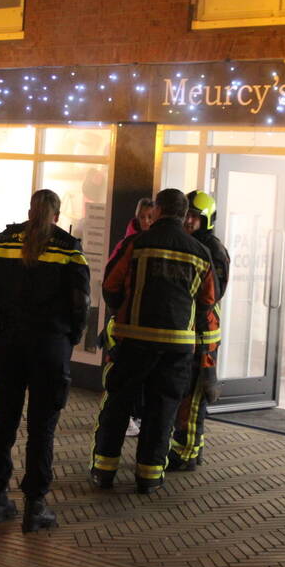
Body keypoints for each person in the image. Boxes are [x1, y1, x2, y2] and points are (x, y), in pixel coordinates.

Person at [0, 189, 90, 533]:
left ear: (29, 211)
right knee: (42, 429)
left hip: (7, 345)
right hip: (48, 348)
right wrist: (71, 337)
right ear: (55, 215)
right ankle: (34, 507)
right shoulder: (68, 247)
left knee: (3, 421)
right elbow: (81, 301)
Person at [91, 188, 218, 495]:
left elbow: (110, 286)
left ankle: (104, 472)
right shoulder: (200, 254)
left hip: (133, 341)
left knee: (119, 405)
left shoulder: (137, 244)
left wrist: (126, 311)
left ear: (159, 210)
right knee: (162, 411)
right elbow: (207, 303)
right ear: (183, 212)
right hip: (177, 349)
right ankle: (148, 477)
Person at [168, 190, 230, 471]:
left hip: (203, 332)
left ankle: (186, 453)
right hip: (189, 329)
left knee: (193, 398)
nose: (189, 220)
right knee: (185, 395)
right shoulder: (189, 244)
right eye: (187, 215)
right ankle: (190, 447)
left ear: (206, 220)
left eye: (195, 216)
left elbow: (212, 295)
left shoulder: (212, 250)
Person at [103, 197, 154, 437]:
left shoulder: (153, 244)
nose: (146, 221)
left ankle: (136, 415)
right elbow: (111, 281)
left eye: (150, 217)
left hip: (142, 321)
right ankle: (127, 417)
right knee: (123, 372)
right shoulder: (127, 244)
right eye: (142, 217)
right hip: (126, 320)